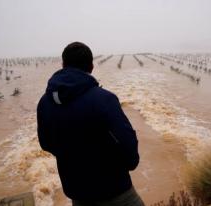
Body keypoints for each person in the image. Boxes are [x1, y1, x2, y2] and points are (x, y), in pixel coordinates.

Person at [37, 42, 144, 206]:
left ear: (63, 65)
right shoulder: (104, 99)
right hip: (116, 193)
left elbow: (46, 143)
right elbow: (129, 152)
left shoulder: (45, 102)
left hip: (78, 195)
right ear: (92, 66)